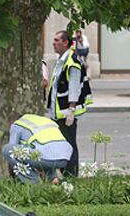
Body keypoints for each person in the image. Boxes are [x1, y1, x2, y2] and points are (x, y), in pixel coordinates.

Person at [47, 30, 91, 176]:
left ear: (65, 42)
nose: (53, 43)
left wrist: (71, 110)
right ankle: (66, 173)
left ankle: (71, 175)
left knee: (69, 145)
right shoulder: (62, 60)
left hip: (67, 113)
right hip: (59, 113)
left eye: (56, 40)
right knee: (62, 145)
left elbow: (73, 87)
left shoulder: (72, 62)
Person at [2, 114, 73, 184]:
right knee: (46, 151)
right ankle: (53, 179)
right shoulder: (41, 121)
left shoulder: (16, 124)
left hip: (46, 157)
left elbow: (12, 152)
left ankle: (34, 181)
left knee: (7, 149)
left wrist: (12, 177)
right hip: (65, 157)